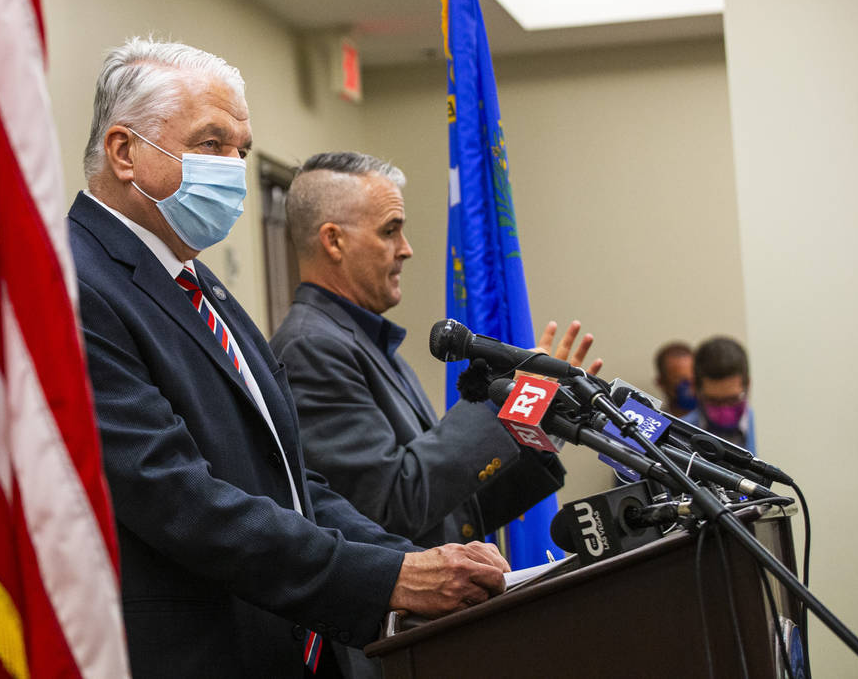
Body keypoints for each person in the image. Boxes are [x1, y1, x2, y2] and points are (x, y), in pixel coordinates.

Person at [68, 38, 511, 678]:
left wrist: (402, 562)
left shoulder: (197, 284)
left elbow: (291, 484)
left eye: (240, 151)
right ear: (124, 152)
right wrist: (389, 576)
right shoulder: (77, 282)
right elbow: (175, 496)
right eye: (211, 143)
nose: (232, 167)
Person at [271, 151, 604, 558]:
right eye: (390, 231)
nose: (406, 249)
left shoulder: (361, 338)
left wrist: (538, 419)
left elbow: (448, 513)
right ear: (334, 241)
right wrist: (508, 397)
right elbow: (391, 509)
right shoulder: (313, 347)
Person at [681, 335, 757, 452]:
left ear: (748, 385)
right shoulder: (678, 435)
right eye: (714, 401)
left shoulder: (767, 429)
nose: (724, 409)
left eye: (733, 399)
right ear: (695, 388)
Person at [653, 340, 696, 417]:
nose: (690, 387)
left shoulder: (714, 420)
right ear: (661, 383)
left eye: (694, 378)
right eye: (681, 380)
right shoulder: (655, 423)